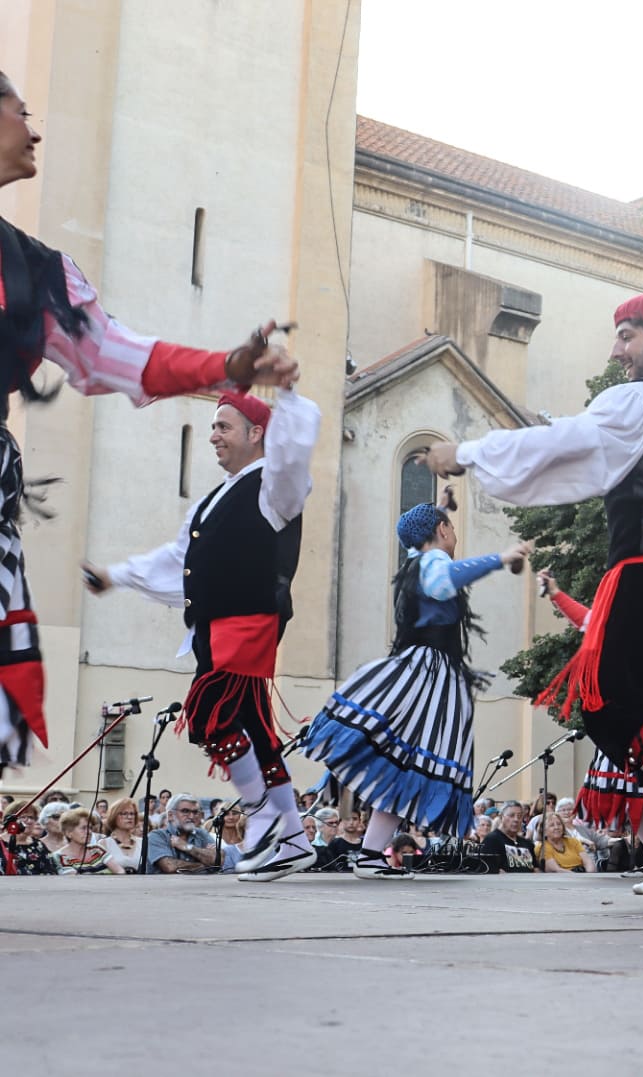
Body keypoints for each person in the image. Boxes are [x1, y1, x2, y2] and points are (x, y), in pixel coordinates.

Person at [426, 288, 643, 899]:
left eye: (627, 336)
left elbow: (560, 445)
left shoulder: (642, 399)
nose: (617, 351)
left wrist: (465, 452)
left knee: (611, 707)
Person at [0, 72, 297, 779]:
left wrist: (227, 363)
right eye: (21, 111)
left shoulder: (36, 270)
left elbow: (115, 356)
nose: (35, 130)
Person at [88, 385, 322, 883]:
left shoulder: (273, 484)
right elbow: (178, 558)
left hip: (247, 620)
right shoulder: (216, 497)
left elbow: (295, 457)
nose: (213, 435)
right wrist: (118, 574)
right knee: (252, 730)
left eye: (223, 426)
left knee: (213, 716)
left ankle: (268, 828)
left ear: (257, 434)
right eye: (213, 426)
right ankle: (293, 838)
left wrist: (284, 388)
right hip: (216, 625)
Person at [304, 492, 529, 881]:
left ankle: (372, 854)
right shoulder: (434, 561)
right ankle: (366, 853)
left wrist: (438, 506)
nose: (454, 534)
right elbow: (444, 581)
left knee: (403, 766)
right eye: (450, 527)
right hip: (430, 676)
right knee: (411, 764)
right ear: (441, 531)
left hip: (415, 670)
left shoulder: (413, 561)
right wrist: (500, 558)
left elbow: (423, 553)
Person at [536, 568, 643, 879]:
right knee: (631, 798)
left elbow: (587, 620)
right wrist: (556, 594)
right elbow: (585, 619)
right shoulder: (617, 626)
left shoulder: (638, 629)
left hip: (632, 725)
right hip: (619, 726)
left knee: (642, 795)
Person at [143, 794, 219, 874]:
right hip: (167, 885)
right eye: (185, 811)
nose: (191, 816)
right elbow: (170, 866)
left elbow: (218, 860)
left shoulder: (201, 833)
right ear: (170, 815)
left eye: (195, 812)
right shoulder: (157, 836)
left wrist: (187, 847)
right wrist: (206, 865)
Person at [50, 808, 118, 874]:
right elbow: (76, 881)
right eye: (83, 828)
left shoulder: (97, 849)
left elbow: (119, 871)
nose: (89, 832)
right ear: (68, 833)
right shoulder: (59, 857)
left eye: (90, 828)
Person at [479, 803, 537, 873]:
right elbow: (488, 867)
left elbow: (535, 868)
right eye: (511, 815)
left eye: (519, 816)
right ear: (501, 817)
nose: (516, 819)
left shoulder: (527, 843)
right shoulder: (492, 840)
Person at [99, 797, 144, 873]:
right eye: (124, 814)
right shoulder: (104, 844)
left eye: (132, 814)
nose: (129, 817)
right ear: (114, 816)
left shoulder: (142, 843)